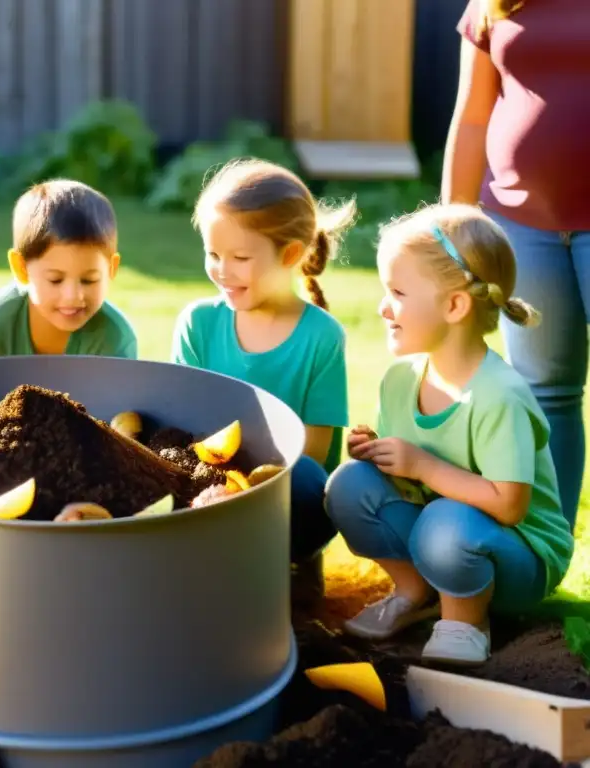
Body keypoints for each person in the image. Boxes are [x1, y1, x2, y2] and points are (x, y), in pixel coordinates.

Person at [325, 204, 574, 665]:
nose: (383, 306)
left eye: (397, 292)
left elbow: (509, 503)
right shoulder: (400, 381)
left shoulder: (498, 395)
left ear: (455, 305)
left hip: (519, 557)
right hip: (444, 536)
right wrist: (377, 452)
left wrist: (421, 464)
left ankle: (466, 621)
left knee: (445, 524)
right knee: (349, 486)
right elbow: (412, 480)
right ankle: (415, 591)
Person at [170, 158, 356, 601]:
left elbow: (312, 451)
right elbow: (182, 419)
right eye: (213, 255)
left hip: (286, 490)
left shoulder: (320, 336)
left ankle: (295, 560)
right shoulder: (198, 323)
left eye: (239, 258)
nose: (221, 270)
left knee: (310, 481)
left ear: (290, 255)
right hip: (206, 476)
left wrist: (248, 489)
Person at [441, 0, 590, 531]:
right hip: (520, 226)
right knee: (547, 390)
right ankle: (550, 549)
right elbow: (473, 116)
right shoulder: (494, 3)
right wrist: (452, 228)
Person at [0, 179, 138, 360]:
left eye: (89, 280)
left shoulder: (115, 338)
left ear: (111, 269)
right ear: (21, 269)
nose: (73, 296)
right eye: (55, 280)